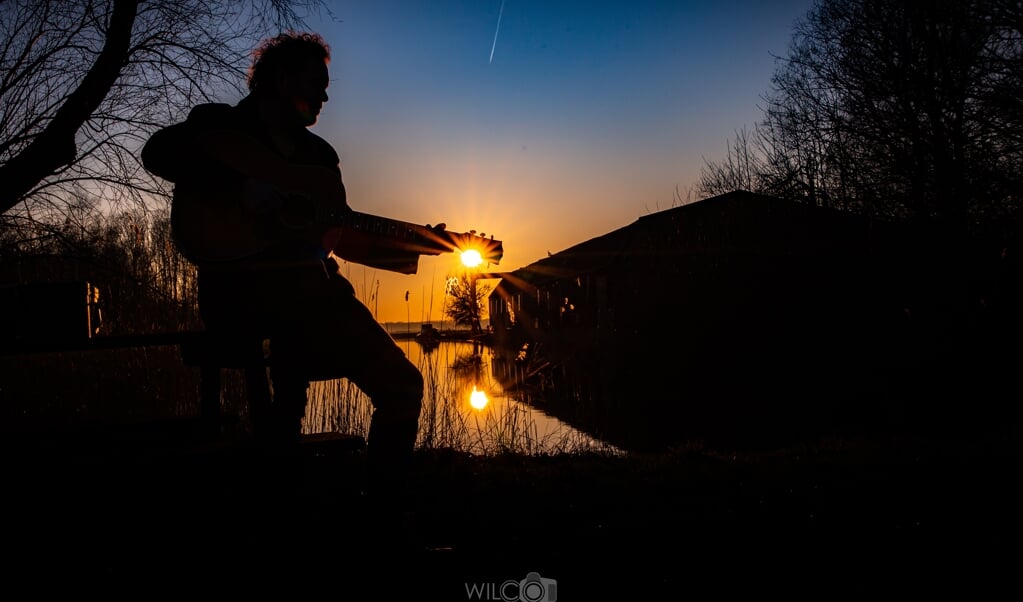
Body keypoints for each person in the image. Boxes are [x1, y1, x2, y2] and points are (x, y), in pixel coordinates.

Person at [141, 32, 423, 516]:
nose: (326, 95)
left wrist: (423, 242)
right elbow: (159, 153)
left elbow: (341, 235)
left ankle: (383, 512)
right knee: (297, 337)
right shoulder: (219, 126)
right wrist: (242, 186)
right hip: (239, 292)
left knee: (403, 386)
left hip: (312, 292)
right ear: (280, 78)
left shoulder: (319, 157)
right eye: (317, 83)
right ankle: (280, 485)